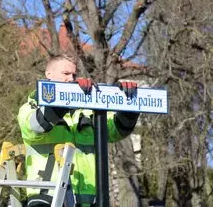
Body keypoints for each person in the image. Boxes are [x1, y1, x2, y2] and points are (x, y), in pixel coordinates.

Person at [17, 54, 139, 207]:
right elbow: (37, 126)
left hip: (88, 198)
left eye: (74, 75)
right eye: (66, 74)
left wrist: (130, 108)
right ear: (49, 74)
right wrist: (63, 101)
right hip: (48, 196)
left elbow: (117, 131)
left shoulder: (87, 110)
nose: (71, 78)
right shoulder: (31, 106)